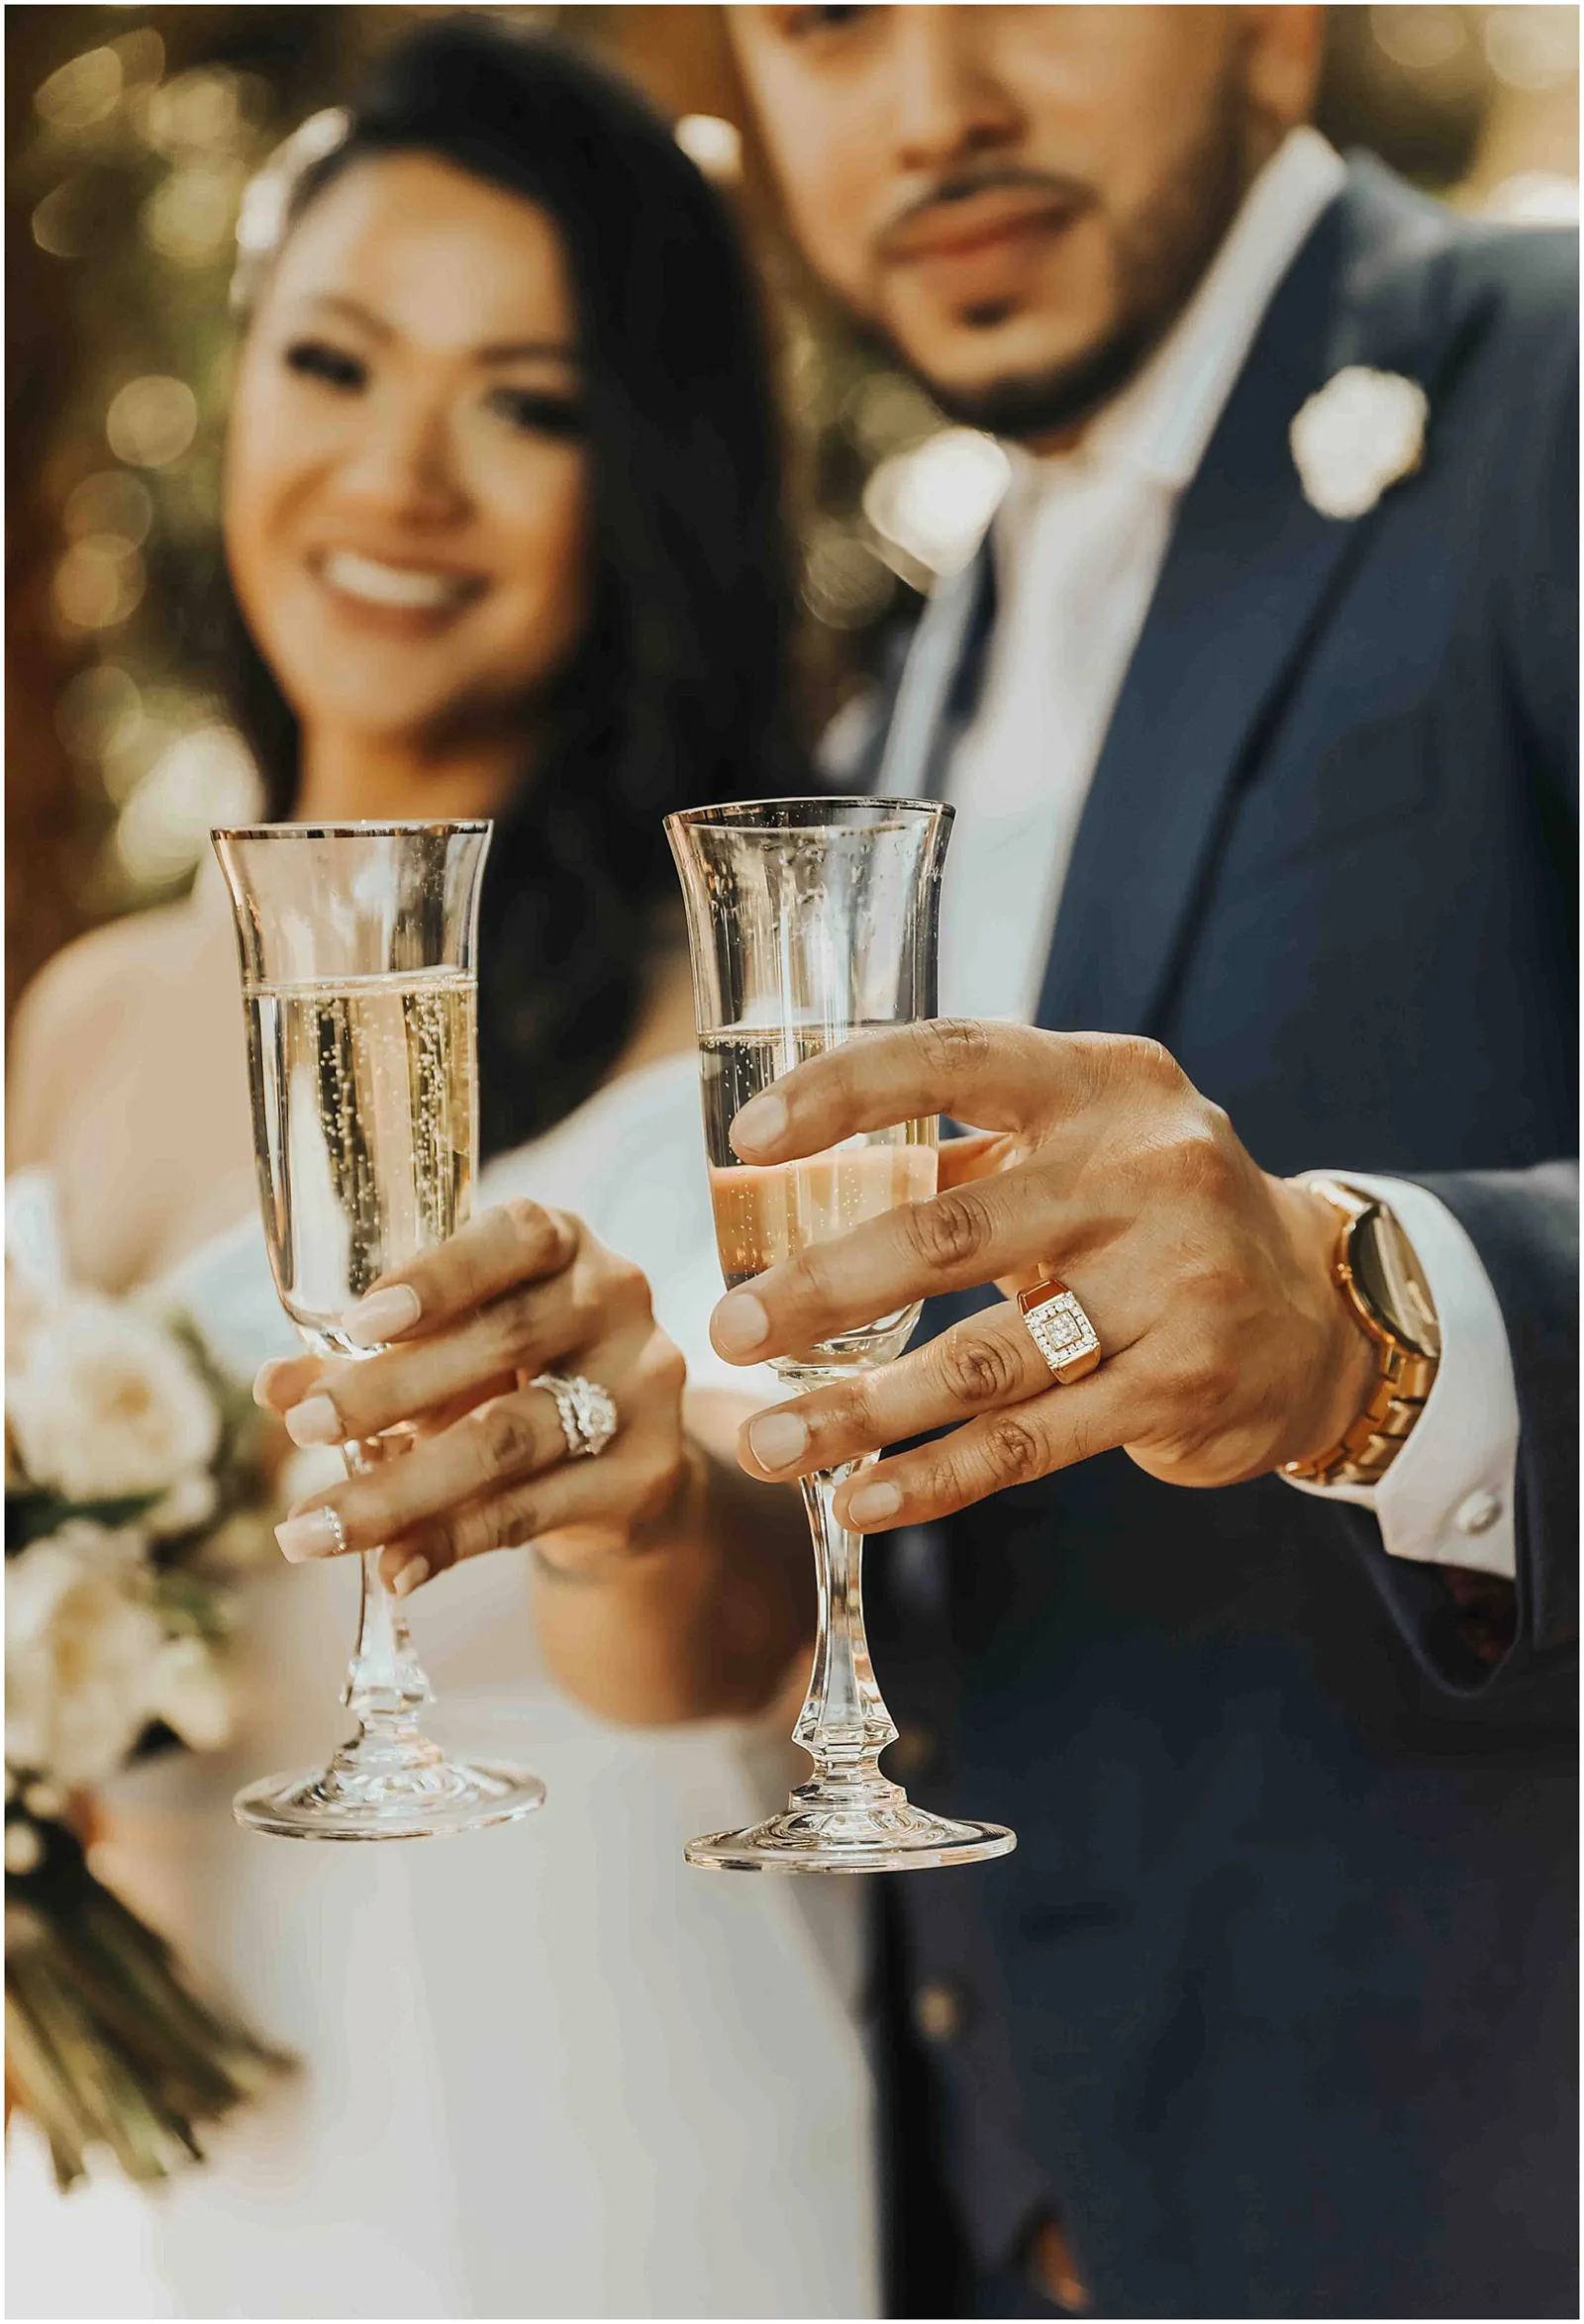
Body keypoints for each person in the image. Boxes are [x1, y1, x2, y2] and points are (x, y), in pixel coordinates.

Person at [259, 8, 1577, 2318]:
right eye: (830, 17)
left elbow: (1303, 1306)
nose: (936, 98)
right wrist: (660, 1482)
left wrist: (1367, 1323)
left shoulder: (1541, 397)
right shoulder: (909, 684)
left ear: (1273, 23)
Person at [7, 23, 875, 2320]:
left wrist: (633, 1482)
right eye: (335, 363)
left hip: (616, 2146)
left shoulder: (757, 1006)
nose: (400, 475)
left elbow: (750, 1623)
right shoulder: (85, 1014)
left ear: (647, 474)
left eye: (526, 401)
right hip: (160, 2212)